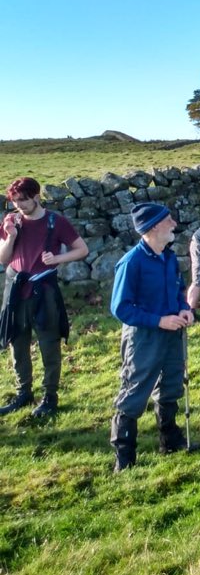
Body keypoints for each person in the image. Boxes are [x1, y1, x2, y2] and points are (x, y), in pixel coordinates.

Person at [109, 203, 196, 472]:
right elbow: (120, 308)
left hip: (173, 334)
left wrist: (185, 308)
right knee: (134, 392)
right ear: (155, 226)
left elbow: (179, 289)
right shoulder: (132, 262)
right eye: (169, 220)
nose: (174, 225)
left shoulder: (168, 257)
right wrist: (159, 320)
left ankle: (169, 440)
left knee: (171, 385)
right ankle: (124, 458)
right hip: (143, 338)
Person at [0, 176, 89, 417]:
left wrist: (57, 259)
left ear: (37, 197)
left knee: (49, 344)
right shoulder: (11, 221)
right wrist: (11, 236)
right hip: (16, 291)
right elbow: (3, 258)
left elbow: (82, 249)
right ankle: (23, 393)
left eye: (24, 200)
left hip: (45, 291)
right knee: (17, 343)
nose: (19, 205)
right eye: (15, 201)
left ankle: (50, 396)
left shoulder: (55, 222)